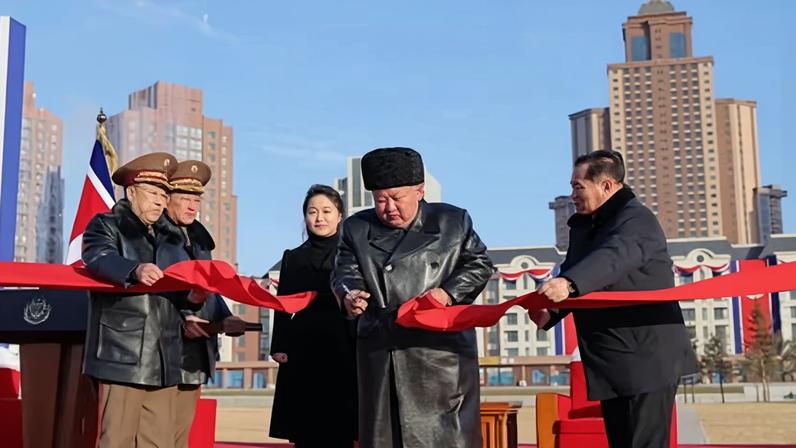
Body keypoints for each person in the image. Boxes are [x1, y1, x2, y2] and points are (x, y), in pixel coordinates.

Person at [531, 150, 697, 448]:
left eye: (578, 186)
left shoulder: (637, 220)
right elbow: (576, 269)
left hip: (646, 358)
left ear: (606, 185)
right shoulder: (588, 226)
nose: (572, 195)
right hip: (612, 360)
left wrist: (568, 284)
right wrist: (550, 313)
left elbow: (613, 259)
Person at [332, 147, 494, 448]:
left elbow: (480, 264)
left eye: (397, 198)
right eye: (380, 200)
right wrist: (349, 294)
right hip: (384, 352)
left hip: (441, 356)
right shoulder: (356, 228)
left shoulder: (452, 221)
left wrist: (447, 293)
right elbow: (344, 272)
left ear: (419, 191)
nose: (389, 207)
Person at [82, 152, 210, 447]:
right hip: (123, 354)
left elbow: (178, 290)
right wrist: (134, 269)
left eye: (164, 195)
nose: (160, 202)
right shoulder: (107, 224)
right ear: (131, 192)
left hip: (165, 355)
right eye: (153, 193)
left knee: (159, 441)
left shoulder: (172, 237)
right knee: (118, 439)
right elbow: (98, 256)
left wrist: (193, 298)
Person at [164, 160, 247, 447]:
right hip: (163, 351)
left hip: (193, 354)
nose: (192, 207)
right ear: (167, 197)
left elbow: (208, 287)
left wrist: (225, 318)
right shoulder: (154, 237)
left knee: (179, 437)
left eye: (196, 200)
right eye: (185, 198)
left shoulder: (199, 240)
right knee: (154, 434)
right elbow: (154, 292)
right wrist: (182, 318)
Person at [269, 184, 357, 448]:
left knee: (342, 428)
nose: (319, 218)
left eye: (327, 211)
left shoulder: (353, 255)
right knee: (305, 429)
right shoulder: (293, 257)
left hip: (344, 344)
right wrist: (279, 345)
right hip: (303, 349)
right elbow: (282, 304)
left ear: (339, 215)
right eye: (312, 212)